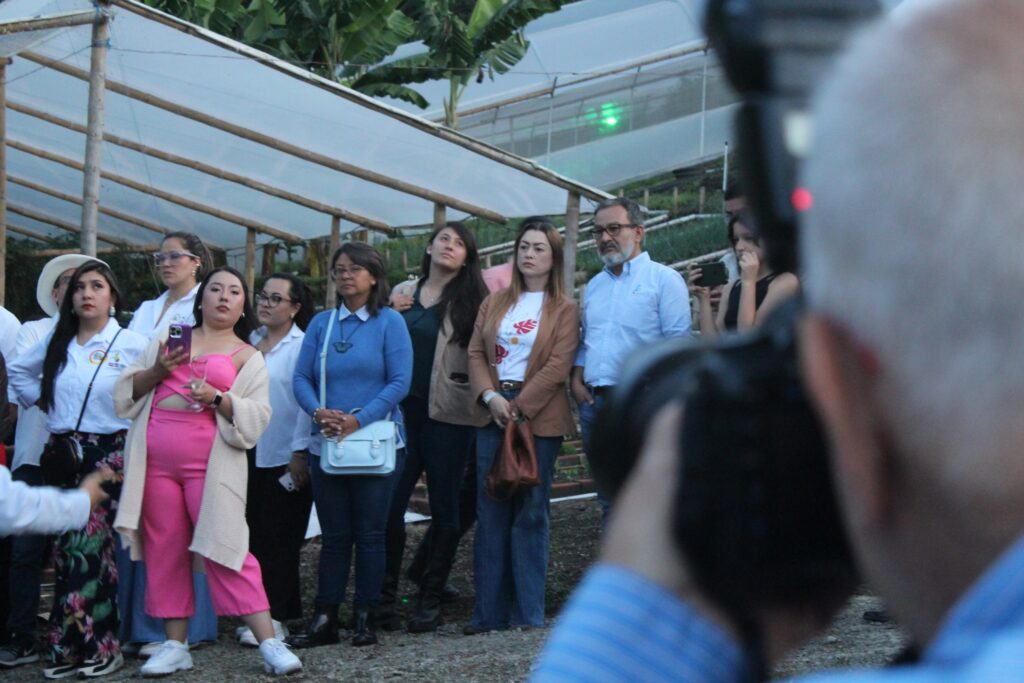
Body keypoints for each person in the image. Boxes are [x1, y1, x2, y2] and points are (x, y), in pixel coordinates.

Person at [533, 2, 1024, 681]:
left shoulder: (673, 286)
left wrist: (666, 613)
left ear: (838, 394)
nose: (605, 237)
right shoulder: (598, 289)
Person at [114, 267, 301, 677]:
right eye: (215, 288)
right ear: (201, 298)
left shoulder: (248, 355)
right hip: (156, 462)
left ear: (242, 305)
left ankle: (269, 640)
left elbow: (257, 417)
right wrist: (160, 370)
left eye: (234, 292)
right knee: (165, 549)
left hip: (210, 465)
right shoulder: (171, 338)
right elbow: (126, 394)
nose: (223, 297)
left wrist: (219, 398)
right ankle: (175, 644)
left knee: (226, 543)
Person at [8, 260, 149, 679]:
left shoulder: (132, 342)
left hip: (109, 455)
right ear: (68, 299)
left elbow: (155, 390)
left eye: (97, 286)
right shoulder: (58, 340)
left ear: (113, 296)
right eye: (79, 288)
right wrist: (44, 401)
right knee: (69, 552)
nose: (86, 293)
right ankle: (70, 645)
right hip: (63, 452)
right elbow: (17, 370)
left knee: (92, 550)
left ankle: (99, 645)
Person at [289, 242, 412, 649]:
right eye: (339, 269)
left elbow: (400, 382)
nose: (345, 275)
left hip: (375, 442)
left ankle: (366, 616)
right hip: (327, 442)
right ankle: (325, 617)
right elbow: (301, 378)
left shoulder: (390, 322)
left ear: (373, 276)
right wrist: (318, 412)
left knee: (372, 534)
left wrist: (358, 418)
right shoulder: (323, 324)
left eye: (355, 268)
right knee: (336, 535)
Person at [465, 218, 579, 635]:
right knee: (490, 508)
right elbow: (475, 352)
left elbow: (558, 366)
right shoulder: (493, 303)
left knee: (531, 513)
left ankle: (527, 614)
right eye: (524, 247)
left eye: (539, 248)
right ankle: (487, 614)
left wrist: (519, 406)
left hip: (540, 418)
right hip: (491, 412)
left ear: (554, 258)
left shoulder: (565, 308)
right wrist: (491, 398)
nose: (529, 254)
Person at [382, 222, 489, 633]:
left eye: (460, 242)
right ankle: (385, 599)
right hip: (401, 414)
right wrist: (391, 313)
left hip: (448, 415)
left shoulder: (475, 300)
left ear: (467, 257)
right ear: (429, 247)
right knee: (390, 507)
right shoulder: (402, 294)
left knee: (445, 506)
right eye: (444, 238)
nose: (450, 246)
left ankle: (429, 597)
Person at [0, 254, 101, 670]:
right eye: (69, 285)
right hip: (33, 453)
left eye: (86, 284)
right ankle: (20, 633)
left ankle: (75, 637)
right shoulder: (32, 331)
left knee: (77, 551)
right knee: (25, 551)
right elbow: (24, 377)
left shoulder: (106, 339)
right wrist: (67, 330)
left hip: (83, 458)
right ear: (56, 294)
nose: (78, 292)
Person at [122, 232, 218, 655]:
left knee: (189, 527)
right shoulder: (146, 308)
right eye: (159, 256)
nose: (165, 263)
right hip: (142, 415)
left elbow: (178, 363)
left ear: (196, 261)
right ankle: (150, 625)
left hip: (184, 418)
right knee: (155, 528)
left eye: (174, 256)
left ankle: (189, 627)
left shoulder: (200, 304)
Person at [570, 197, 692, 523]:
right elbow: (588, 341)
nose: (604, 238)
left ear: (638, 232)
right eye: (598, 231)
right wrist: (577, 380)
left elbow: (678, 346)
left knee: (650, 495)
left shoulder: (664, 280)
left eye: (614, 228)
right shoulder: (594, 287)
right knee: (609, 498)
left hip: (642, 404)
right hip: (596, 406)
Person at [237, 273, 316, 647]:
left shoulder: (303, 347)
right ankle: (253, 612)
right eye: (263, 297)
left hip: (286, 452)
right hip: (247, 450)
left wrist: (300, 452)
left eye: (276, 299)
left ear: (295, 307)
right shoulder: (249, 342)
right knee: (251, 534)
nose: (266, 304)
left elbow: (305, 403)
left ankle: (280, 616)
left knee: (282, 539)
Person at [688, 212, 800, 339]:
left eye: (749, 238)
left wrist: (748, 281)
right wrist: (704, 299)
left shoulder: (785, 281)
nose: (739, 247)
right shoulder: (733, 286)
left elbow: (748, 334)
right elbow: (714, 341)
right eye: (736, 240)